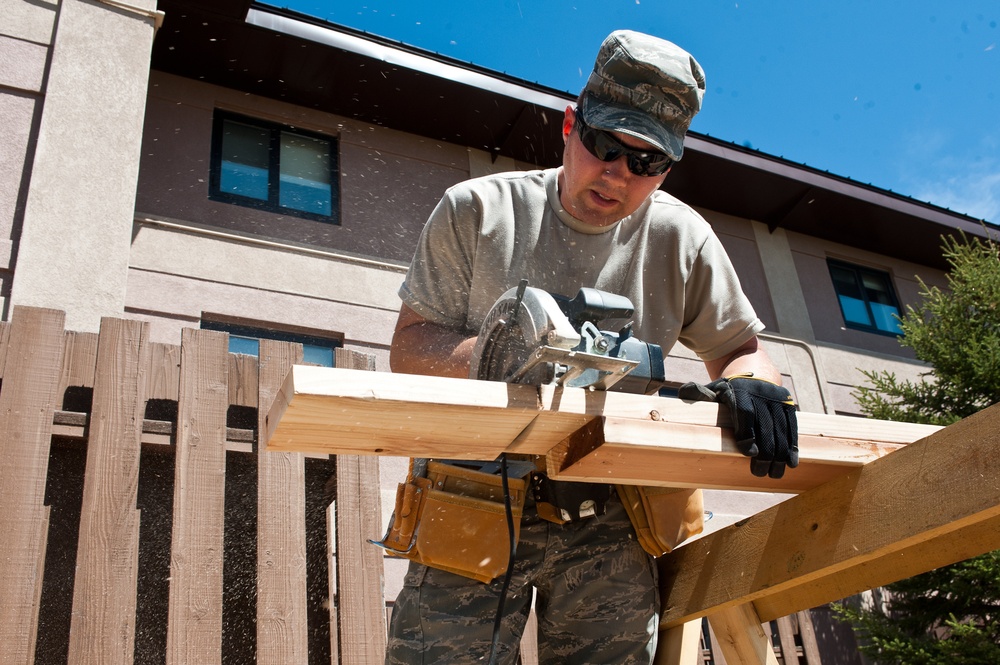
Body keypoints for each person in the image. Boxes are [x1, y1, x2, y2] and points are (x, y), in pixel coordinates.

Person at [384, 29, 797, 665]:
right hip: (472, 490)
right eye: (606, 146)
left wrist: (755, 385)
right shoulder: (479, 210)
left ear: (670, 164)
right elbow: (411, 346)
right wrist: (501, 362)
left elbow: (742, 349)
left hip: (612, 504)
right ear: (570, 125)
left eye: (646, 163)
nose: (617, 175)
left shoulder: (682, 237)